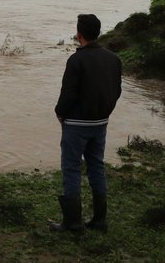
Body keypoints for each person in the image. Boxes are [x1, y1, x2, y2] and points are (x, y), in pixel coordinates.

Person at [50, 14, 122, 233]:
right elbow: (116, 91)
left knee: (71, 169)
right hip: (100, 123)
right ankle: (100, 220)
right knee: (96, 167)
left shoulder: (76, 60)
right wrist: (105, 113)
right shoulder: (114, 59)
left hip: (76, 125)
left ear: (78, 34)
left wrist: (60, 113)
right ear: (98, 33)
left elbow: (68, 94)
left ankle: (73, 222)